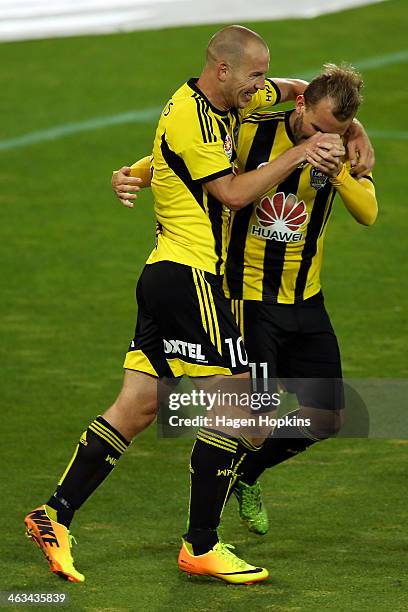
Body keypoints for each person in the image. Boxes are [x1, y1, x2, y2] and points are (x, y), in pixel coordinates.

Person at [24, 25, 346, 586]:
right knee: (242, 405)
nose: (261, 85)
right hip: (188, 277)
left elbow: (299, 91)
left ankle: (53, 514)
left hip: (165, 278)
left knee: (138, 407)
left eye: (263, 74)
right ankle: (200, 544)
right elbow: (232, 193)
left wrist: (353, 130)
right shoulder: (190, 115)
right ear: (222, 70)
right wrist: (301, 150)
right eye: (254, 75)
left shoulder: (235, 95)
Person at [114, 64, 377, 539]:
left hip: (304, 301)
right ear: (300, 107)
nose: (325, 139)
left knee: (328, 415)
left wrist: (338, 165)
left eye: (336, 132)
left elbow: (369, 213)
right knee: (249, 413)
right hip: (245, 304)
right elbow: (189, 158)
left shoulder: (342, 150)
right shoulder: (252, 131)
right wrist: (132, 174)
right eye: (318, 129)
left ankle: (248, 474)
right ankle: (202, 536)